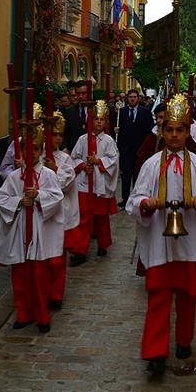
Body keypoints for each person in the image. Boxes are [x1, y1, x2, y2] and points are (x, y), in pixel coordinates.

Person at [126, 94, 196, 376]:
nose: (175, 135)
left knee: (187, 295)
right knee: (158, 296)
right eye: (170, 130)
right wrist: (145, 205)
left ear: (187, 131)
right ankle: (155, 352)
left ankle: (183, 340)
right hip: (160, 241)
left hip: (189, 240)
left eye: (180, 130)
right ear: (162, 131)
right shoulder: (153, 165)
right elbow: (135, 199)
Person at [0, 125, 64, 333]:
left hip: (39, 231)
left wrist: (39, 196)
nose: (31, 153)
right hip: (20, 232)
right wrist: (19, 202)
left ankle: (42, 316)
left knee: (38, 277)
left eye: (35, 149)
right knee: (20, 277)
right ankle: (23, 313)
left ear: (41, 150)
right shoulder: (14, 177)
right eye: (26, 149)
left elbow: (56, 197)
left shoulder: (48, 175)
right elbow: (2, 198)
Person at [69, 101, 119, 266]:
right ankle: (80, 251)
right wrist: (83, 165)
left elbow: (113, 159)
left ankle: (103, 244)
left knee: (101, 218)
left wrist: (98, 161)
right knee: (83, 218)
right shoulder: (83, 139)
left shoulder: (108, 140)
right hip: (84, 184)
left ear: (105, 122)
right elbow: (74, 157)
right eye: (95, 119)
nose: (98, 122)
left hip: (100, 185)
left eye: (101, 119)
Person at [43, 111, 78, 309]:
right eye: (53, 134)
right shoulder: (35, 155)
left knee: (56, 258)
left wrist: (54, 171)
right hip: (41, 214)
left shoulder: (64, 158)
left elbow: (66, 181)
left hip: (58, 214)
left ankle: (56, 294)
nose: (57, 138)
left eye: (60, 135)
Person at [116, 88, 153, 208]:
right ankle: (125, 198)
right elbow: (117, 128)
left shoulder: (145, 111)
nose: (132, 99)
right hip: (126, 149)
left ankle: (138, 198)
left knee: (139, 176)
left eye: (134, 97)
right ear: (127, 98)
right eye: (130, 97)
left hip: (140, 149)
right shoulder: (121, 112)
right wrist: (116, 131)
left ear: (138, 98)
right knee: (126, 175)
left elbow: (149, 130)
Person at [63, 80, 91, 153]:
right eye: (78, 93)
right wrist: (65, 148)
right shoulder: (68, 111)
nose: (80, 96)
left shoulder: (96, 110)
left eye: (84, 93)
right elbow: (65, 132)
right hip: (73, 152)